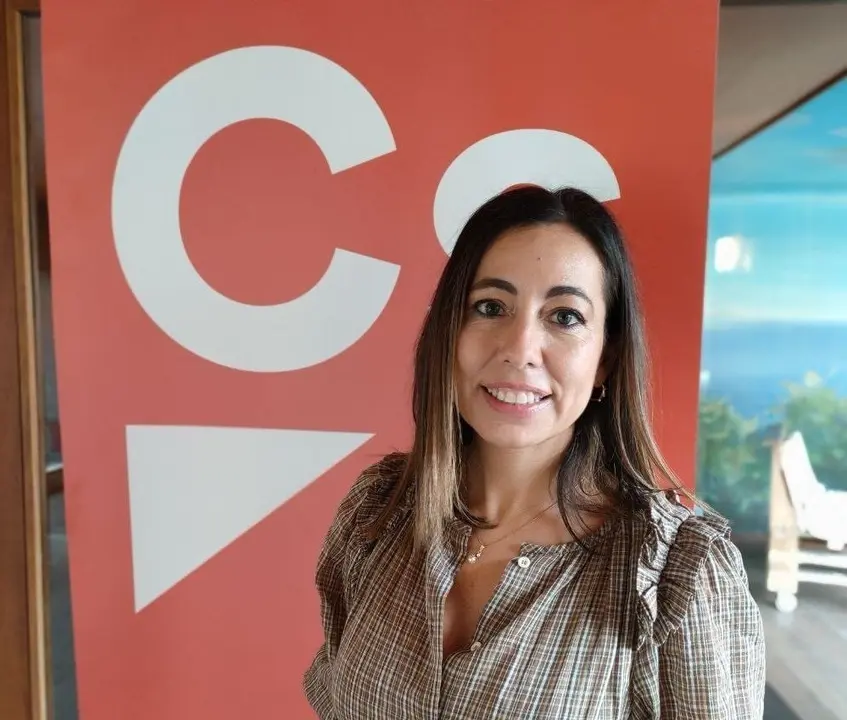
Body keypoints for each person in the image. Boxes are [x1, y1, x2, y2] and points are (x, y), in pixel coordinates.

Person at [303, 186, 766, 719]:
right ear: (449, 331)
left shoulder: (678, 575)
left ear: (606, 358)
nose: (520, 348)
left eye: (564, 316)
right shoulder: (379, 510)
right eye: (490, 307)